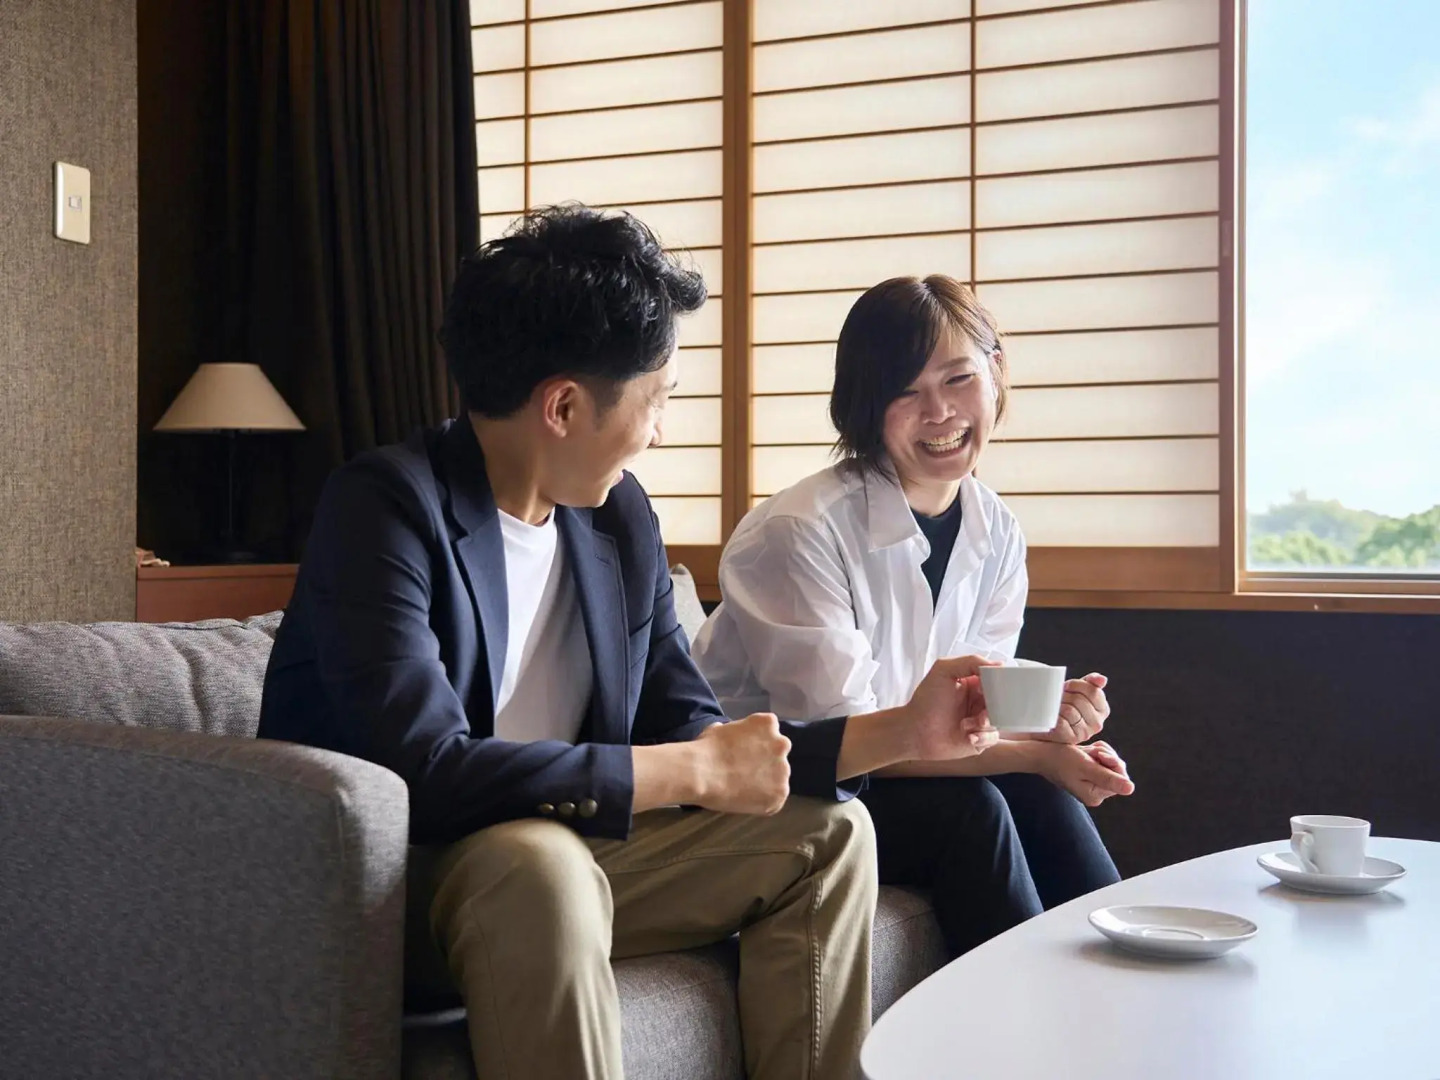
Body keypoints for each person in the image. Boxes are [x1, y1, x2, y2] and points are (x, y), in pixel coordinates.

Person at [258, 211, 1007, 1080]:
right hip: (406, 877)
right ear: (565, 406)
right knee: (538, 865)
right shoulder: (387, 507)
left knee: (833, 834)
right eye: (657, 401)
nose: (662, 430)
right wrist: (685, 773)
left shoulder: (618, 517)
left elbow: (698, 729)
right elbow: (425, 770)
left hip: (580, 849)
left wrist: (905, 731)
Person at [693, 275, 1136, 959]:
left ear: (995, 377)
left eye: (959, 379)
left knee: (1037, 794)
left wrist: (1052, 725)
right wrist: (1038, 757)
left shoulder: (996, 527)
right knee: (976, 808)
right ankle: (1027, 1039)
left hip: (897, 771)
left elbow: (972, 708)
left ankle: (1130, 999)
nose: (939, 413)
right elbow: (844, 743)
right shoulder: (798, 530)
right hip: (785, 791)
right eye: (906, 391)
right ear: (866, 407)